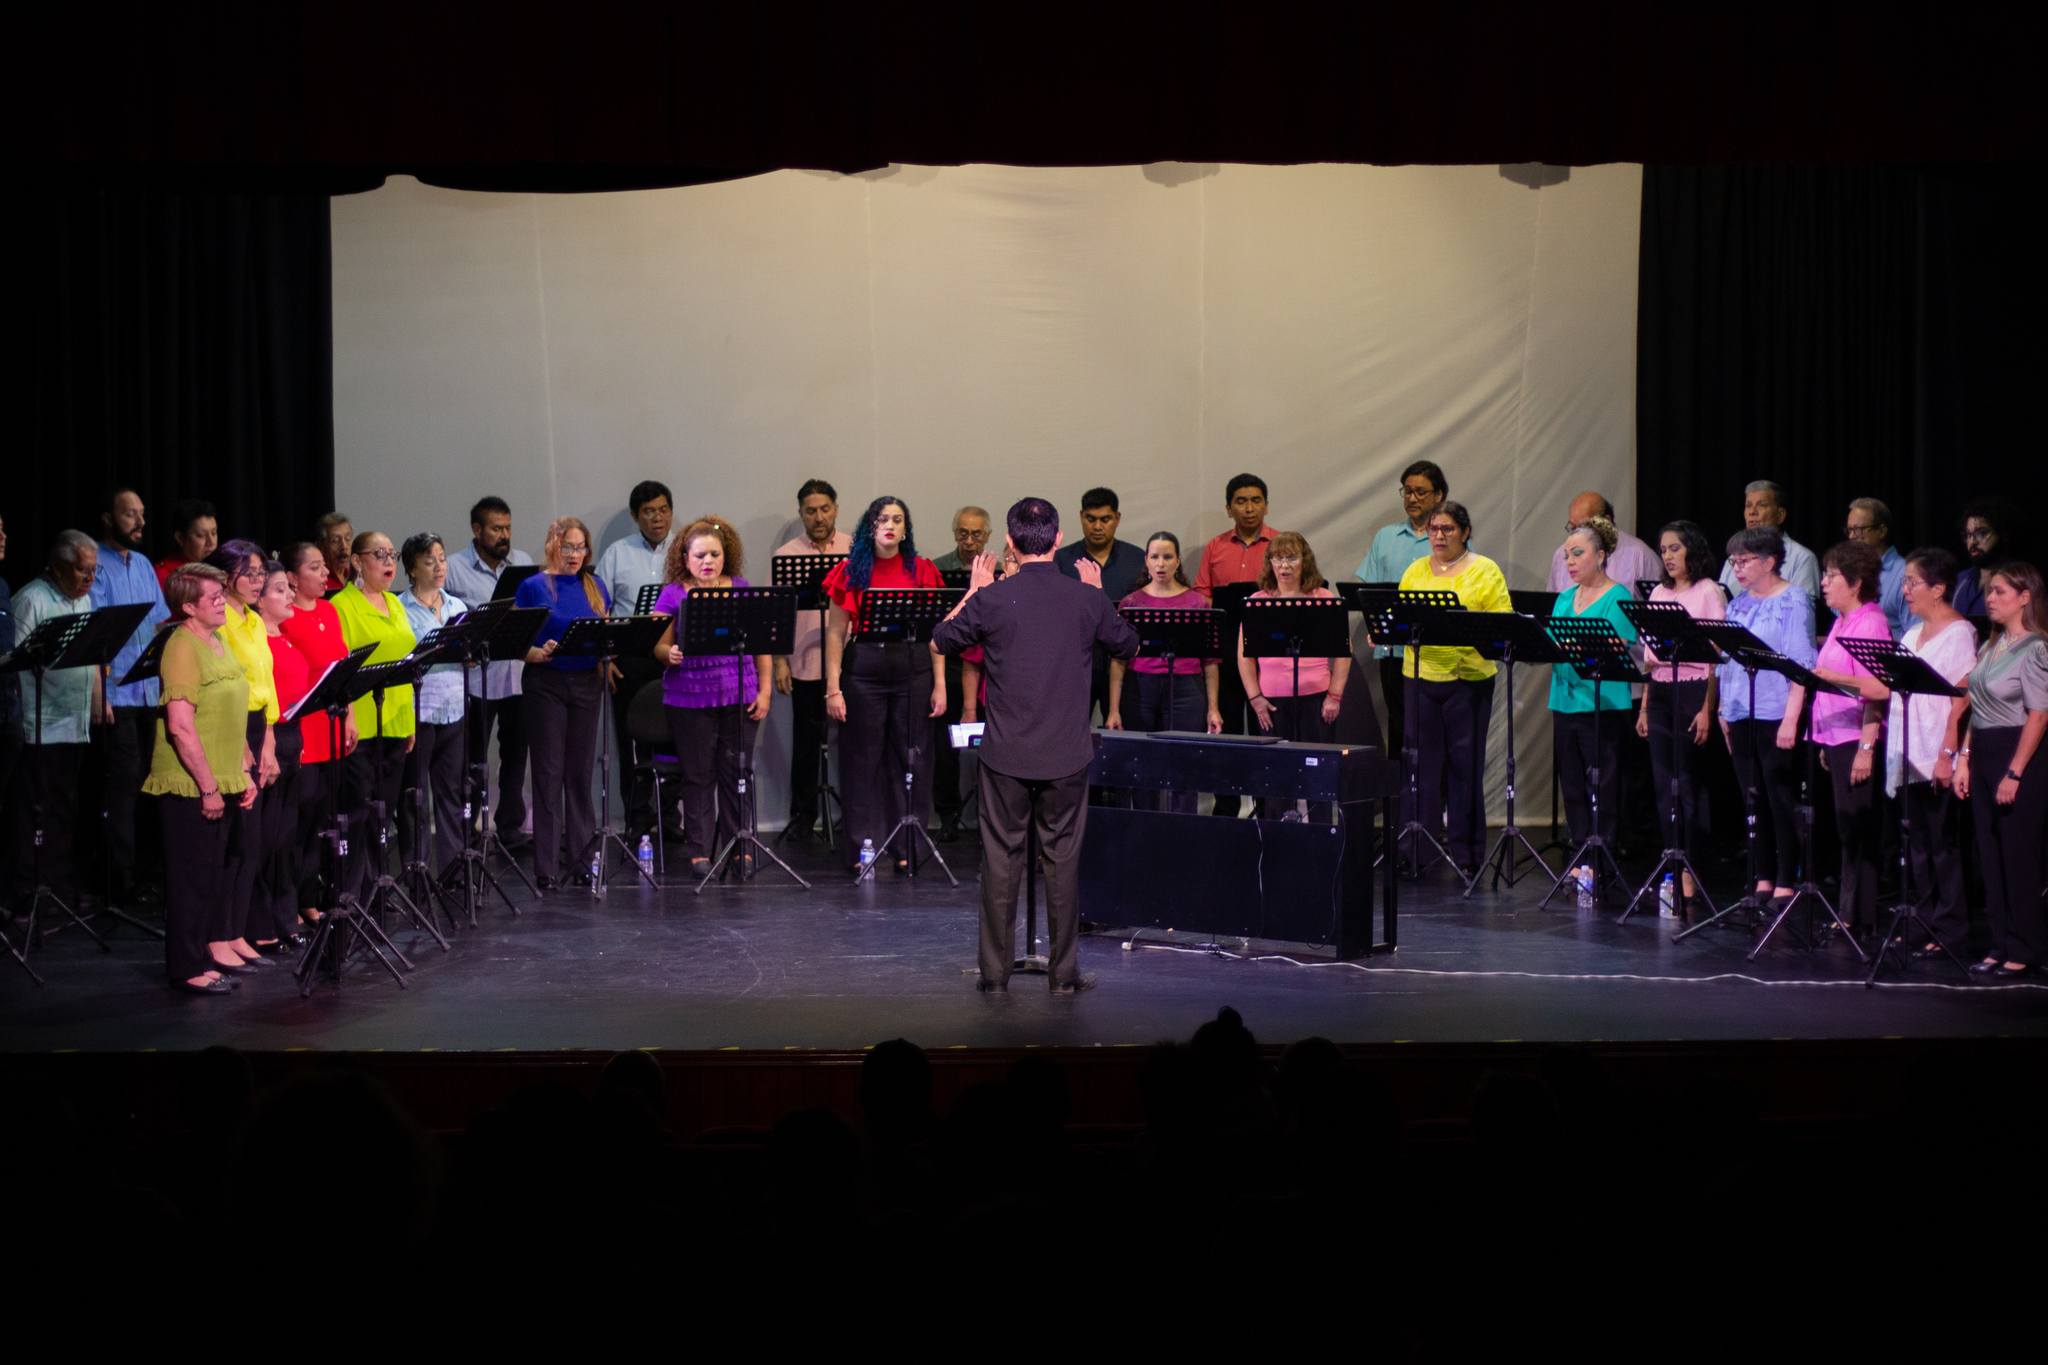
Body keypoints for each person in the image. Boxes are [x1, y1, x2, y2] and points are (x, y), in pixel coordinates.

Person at [931, 496, 1139, 994]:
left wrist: (974, 590)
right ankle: (1063, 976)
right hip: (1065, 754)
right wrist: (1099, 594)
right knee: (1062, 865)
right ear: (1059, 539)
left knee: (1001, 864)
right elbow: (1128, 645)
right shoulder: (1086, 598)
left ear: (1009, 541)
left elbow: (940, 639)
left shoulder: (993, 598)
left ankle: (994, 975)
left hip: (1006, 755)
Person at [143, 564, 255, 995]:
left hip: (224, 776)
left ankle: (202, 956)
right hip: (189, 782)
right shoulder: (181, 647)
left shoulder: (218, 640)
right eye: (213, 597)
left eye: (222, 593)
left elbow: (232, 708)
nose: (222, 601)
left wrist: (242, 770)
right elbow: (180, 727)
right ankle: (186, 966)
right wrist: (208, 787)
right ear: (188, 607)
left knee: (212, 876)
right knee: (190, 880)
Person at [822, 496, 946, 872]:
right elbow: (835, 633)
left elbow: (935, 634)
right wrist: (833, 688)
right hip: (865, 670)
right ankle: (863, 847)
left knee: (912, 759)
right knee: (862, 760)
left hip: (914, 669)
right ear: (870, 526)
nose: (890, 525)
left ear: (906, 529)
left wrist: (940, 684)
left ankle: (907, 847)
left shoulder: (923, 570)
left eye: (897, 519)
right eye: (882, 519)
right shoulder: (851, 571)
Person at [1864, 548, 1975, 959]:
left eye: (1913, 582)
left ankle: (1950, 928)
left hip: (1935, 751)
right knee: (1917, 844)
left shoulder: (1960, 633)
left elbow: (1962, 700)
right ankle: (1921, 919)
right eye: (1906, 581)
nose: (1905, 589)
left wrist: (1947, 753)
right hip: (1907, 748)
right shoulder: (1911, 635)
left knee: (1942, 845)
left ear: (1939, 588)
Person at [651, 518, 773, 872]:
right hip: (689, 696)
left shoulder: (740, 588)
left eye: (715, 555)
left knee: (737, 773)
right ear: (685, 558)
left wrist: (765, 690)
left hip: (739, 693)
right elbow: (658, 645)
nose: (708, 561)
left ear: (725, 555)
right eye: (700, 555)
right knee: (698, 775)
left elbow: (761, 645)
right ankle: (700, 850)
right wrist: (669, 653)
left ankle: (740, 847)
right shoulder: (673, 593)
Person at [1397, 502, 1510, 876]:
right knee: (1420, 766)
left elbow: (1501, 624)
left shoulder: (1485, 569)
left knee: (1465, 766)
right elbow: (1401, 618)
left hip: (1467, 681)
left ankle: (1466, 854)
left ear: (1465, 532)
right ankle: (1419, 850)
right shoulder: (1415, 570)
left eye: (1447, 529)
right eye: (1433, 529)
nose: (1439, 536)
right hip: (1419, 677)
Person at [1951, 562, 2048, 979]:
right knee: (1988, 854)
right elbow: (1977, 709)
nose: (1990, 598)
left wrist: (2015, 772)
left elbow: (2039, 715)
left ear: (2025, 597)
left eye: (2000, 592)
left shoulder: (2036, 648)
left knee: (2017, 854)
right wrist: (1964, 758)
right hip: (1985, 752)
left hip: (2017, 753)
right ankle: (2000, 942)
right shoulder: (1992, 646)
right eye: (1989, 591)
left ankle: (2026, 945)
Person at [1716, 526, 1817, 905]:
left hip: (1776, 712)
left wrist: (1792, 718)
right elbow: (1727, 660)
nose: (1737, 569)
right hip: (1739, 709)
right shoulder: (1738, 604)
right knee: (1751, 796)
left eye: (1744, 561)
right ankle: (1763, 875)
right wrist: (1723, 709)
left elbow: (1800, 663)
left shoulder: (1793, 600)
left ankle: (1786, 877)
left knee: (1779, 796)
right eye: (1734, 562)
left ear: (1770, 561)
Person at [9, 531, 102, 920]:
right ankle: (27, 892)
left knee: (65, 809)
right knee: (35, 812)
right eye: (82, 570)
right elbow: (14, 663)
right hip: (40, 723)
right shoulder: (32, 599)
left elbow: (93, 653)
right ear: (59, 567)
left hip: (74, 722)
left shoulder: (84, 599)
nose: (90, 579)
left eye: (94, 571)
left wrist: (97, 702)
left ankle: (57, 888)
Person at [515, 517, 611, 890]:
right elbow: (517, 641)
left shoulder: (595, 585)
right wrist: (536, 653)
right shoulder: (533, 587)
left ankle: (583, 859)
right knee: (548, 772)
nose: (574, 554)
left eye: (580, 547)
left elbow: (604, 630)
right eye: (567, 547)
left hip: (586, 682)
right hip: (546, 683)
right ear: (553, 545)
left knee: (579, 773)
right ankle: (546, 866)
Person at [1634, 520, 1722, 907]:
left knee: (1688, 784)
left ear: (1692, 550)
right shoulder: (1658, 594)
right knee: (1661, 784)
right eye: (1664, 550)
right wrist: (1644, 706)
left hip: (1693, 689)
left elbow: (1715, 658)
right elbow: (1650, 658)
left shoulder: (1708, 591)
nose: (1668, 556)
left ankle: (1692, 867)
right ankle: (1670, 860)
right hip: (1661, 692)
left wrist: (1707, 708)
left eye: (1675, 548)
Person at [89, 488, 170, 905]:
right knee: (121, 789)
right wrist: (100, 693)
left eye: (142, 514)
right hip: (117, 694)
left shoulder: (141, 564)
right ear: (108, 518)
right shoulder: (95, 563)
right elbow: (95, 633)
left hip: (148, 692)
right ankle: (118, 883)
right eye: (129, 514)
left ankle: (145, 873)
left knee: (148, 786)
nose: (139, 522)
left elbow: (158, 624)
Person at [1807, 540, 1892, 935]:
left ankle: (1861, 917)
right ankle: (1849, 913)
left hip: (1858, 736)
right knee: (1846, 829)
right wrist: (1825, 738)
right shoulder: (1842, 621)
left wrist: (1865, 747)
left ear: (1856, 582)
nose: (1824, 583)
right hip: (1836, 736)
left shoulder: (1871, 622)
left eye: (1831, 576)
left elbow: (1878, 689)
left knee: (1859, 828)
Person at [205, 540, 282, 967]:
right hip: (229, 731)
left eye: (260, 574)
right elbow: (226, 689)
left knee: (250, 842)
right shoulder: (221, 622)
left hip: (257, 727)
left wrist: (267, 740)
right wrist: (241, 747)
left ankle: (236, 930)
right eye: (249, 574)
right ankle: (216, 935)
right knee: (230, 839)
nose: (257, 581)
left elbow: (266, 684)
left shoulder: (253, 620)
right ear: (226, 576)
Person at [444, 496, 535, 855]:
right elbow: (447, 621)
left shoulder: (522, 563)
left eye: (507, 528)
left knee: (515, 755)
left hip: (516, 673)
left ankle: (510, 827)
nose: (504, 535)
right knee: (472, 759)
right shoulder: (453, 568)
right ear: (477, 529)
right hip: (476, 679)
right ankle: (467, 832)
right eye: (496, 529)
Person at [1107, 531, 1222, 812]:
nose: (1161, 564)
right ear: (1146, 561)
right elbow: (1118, 661)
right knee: (1143, 765)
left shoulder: (1196, 603)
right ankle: (1147, 827)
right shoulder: (1131, 604)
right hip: (1140, 688)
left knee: (1183, 764)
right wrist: (1113, 709)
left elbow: (1210, 662)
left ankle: (1182, 827)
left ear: (1177, 561)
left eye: (1167, 557)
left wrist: (1213, 708)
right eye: (1155, 557)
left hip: (1186, 689)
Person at [1546, 517, 1639, 863]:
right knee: (1571, 783)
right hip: (1564, 700)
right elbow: (1553, 641)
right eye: (1566, 556)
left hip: (1601, 703)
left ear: (1600, 556)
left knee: (1601, 783)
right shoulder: (1564, 598)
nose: (1569, 562)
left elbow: (1614, 645)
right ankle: (1579, 854)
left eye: (1577, 554)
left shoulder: (1617, 596)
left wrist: (1572, 644)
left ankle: (1601, 857)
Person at [332, 531, 419, 899]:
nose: (388, 562)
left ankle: (378, 888)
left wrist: (409, 722)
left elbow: (406, 661)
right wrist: (348, 716)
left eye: (392, 554)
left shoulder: (394, 603)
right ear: (357, 561)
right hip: (362, 724)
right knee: (360, 811)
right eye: (379, 554)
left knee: (385, 810)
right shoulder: (342, 606)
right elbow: (342, 667)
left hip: (396, 720)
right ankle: (357, 892)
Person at [276, 542, 356, 925]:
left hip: (331, 727)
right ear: (293, 577)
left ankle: (309, 899)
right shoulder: (284, 618)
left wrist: (350, 717)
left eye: (324, 566)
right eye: (314, 567)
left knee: (321, 823)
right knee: (298, 821)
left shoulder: (328, 610)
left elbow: (341, 667)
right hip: (303, 731)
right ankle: (287, 904)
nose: (325, 574)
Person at [771, 480, 853, 843]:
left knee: (853, 744)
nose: (818, 517)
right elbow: (777, 614)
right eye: (810, 511)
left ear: (835, 509)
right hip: (803, 663)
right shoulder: (786, 555)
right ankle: (803, 817)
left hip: (848, 662)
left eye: (824, 509)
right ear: (801, 513)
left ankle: (855, 815)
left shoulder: (854, 550)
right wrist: (780, 661)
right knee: (804, 745)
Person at [594, 480, 675, 841]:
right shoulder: (617, 553)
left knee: (675, 738)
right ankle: (637, 818)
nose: (657, 518)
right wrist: (605, 657)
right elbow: (598, 606)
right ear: (635, 515)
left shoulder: (686, 548)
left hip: (673, 655)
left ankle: (670, 818)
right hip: (629, 658)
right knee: (631, 740)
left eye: (663, 510)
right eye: (648, 512)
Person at [1194, 473, 1279, 816]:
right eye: (1241, 501)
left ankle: (1267, 807)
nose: (1249, 508)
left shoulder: (1279, 544)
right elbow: (1202, 595)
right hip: (1227, 649)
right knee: (1226, 730)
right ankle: (1226, 808)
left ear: (1266, 505)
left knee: (1266, 730)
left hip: (1268, 651)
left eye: (1256, 500)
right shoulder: (1215, 547)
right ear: (1229, 508)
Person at [1356, 460, 1446, 757]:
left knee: (1432, 728)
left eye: (1421, 492)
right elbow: (1370, 593)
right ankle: (1399, 785)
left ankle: (1432, 786)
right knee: (1398, 724)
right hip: (1392, 649)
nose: (1412, 498)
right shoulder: (1385, 537)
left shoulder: (1448, 538)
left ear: (1439, 495)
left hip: (1434, 652)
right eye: (1407, 491)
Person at [397, 533, 469, 878]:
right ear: (413, 569)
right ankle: (418, 870)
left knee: (451, 792)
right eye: (429, 561)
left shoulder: (457, 607)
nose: (439, 566)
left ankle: (452, 868)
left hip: (455, 707)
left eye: (442, 559)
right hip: (419, 711)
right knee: (415, 795)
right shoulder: (400, 609)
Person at [252, 560, 311, 954]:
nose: (290, 595)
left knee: (287, 837)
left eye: (288, 588)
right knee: (267, 838)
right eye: (279, 589)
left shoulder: (286, 637)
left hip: (292, 738)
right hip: (267, 740)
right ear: (258, 600)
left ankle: (285, 917)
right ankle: (261, 923)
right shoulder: (258, 642)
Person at [929, 504, 992, 841]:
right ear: (955, 533)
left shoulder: (998, 571)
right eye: (963, 533)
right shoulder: (938, 569)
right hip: (950, 663)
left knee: (994, 746)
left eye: (976, 534)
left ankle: (990, 815)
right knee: (945, 747)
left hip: (988, 668)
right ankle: (948, 814)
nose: (969, 541)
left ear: (988, 535)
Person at [1544, 492, 1661, 596]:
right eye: (1572, 527)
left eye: (1583, 527)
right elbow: (1551, 603)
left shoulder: (1640, 554)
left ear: (1606, 522)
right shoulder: (1561, 554)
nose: (1577, 533)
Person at [1718, 481, 1819, 600]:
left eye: (1761, 505)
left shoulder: (1802, 558)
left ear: (1780, 515)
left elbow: (1806, 607)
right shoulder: (1734, 559)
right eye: (1748, 505)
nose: (1752, 512)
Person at [1844, 497, 1912, 639]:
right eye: (1849, 530)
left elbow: (1916, 633)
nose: (1851, 536)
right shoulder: (1851, 571)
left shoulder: (1905, 573)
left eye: (1858, 530)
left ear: (1881, 531)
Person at [1951, 496, 2020, 619]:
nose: (1972, 542)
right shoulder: (1960, 580)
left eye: (1982, 533)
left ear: (2003, 534)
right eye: (1968, 535)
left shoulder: (2020, 580)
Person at [153, 498, 218, 591]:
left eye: (214, 533)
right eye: (201, 535)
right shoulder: (165, 576)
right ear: (180, 538)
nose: (211, 542)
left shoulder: (220, 568)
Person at [315, 513, 355, 595]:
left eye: (348, 539)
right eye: (335, 541)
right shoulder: (318, 580)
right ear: (321, 546)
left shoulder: (356, 576)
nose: (344, 546)